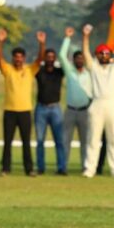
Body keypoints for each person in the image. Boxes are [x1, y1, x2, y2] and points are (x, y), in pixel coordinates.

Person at [81, 24, 114, 178]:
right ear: (97, 55)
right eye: (101, 54)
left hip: (112, 104)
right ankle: (90, 169)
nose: (104, 56)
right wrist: (85, 36)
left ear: (110, 55)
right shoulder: (93, 67)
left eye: (106, 53)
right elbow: (85, 53)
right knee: (93, 139)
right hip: (97, 103)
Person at [0, 29, 45, 176]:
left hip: (25, 111)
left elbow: (40, 59)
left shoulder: (30, 70)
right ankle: (5, 168)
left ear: (24, 58)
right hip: (9, 111)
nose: (18, 59)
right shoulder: (8, 70)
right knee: (7, 142)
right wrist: (0, 42)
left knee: (26, 142)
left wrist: (41, 44)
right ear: (13, 58)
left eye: (20, 57)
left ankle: (29, 169)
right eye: (16, 57)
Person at [60, 27, 93, 174]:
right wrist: (67, 38)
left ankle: (86, 167)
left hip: (85, 111)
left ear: (84, 60)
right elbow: (61, 55)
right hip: (70, 111)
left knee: (85, 142)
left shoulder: (90, 72)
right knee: (65, 140)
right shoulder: (70, 71)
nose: (79, 60)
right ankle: (63, 167)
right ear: (73, 60)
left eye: (81, 58)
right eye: (76, 58)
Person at [34, 47, 67, 175]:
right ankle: (41, 167)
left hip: (55, 109)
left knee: (59, 140)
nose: (50, 59)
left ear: (55, 59)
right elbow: (37, 61)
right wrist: (41, 44)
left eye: (52, 57)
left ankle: (61, 168)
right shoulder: (39, 71)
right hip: (41, 109)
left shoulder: (59, 72)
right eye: (48, 57)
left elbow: (65, 62)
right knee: (40, 140)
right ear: (44, 58)